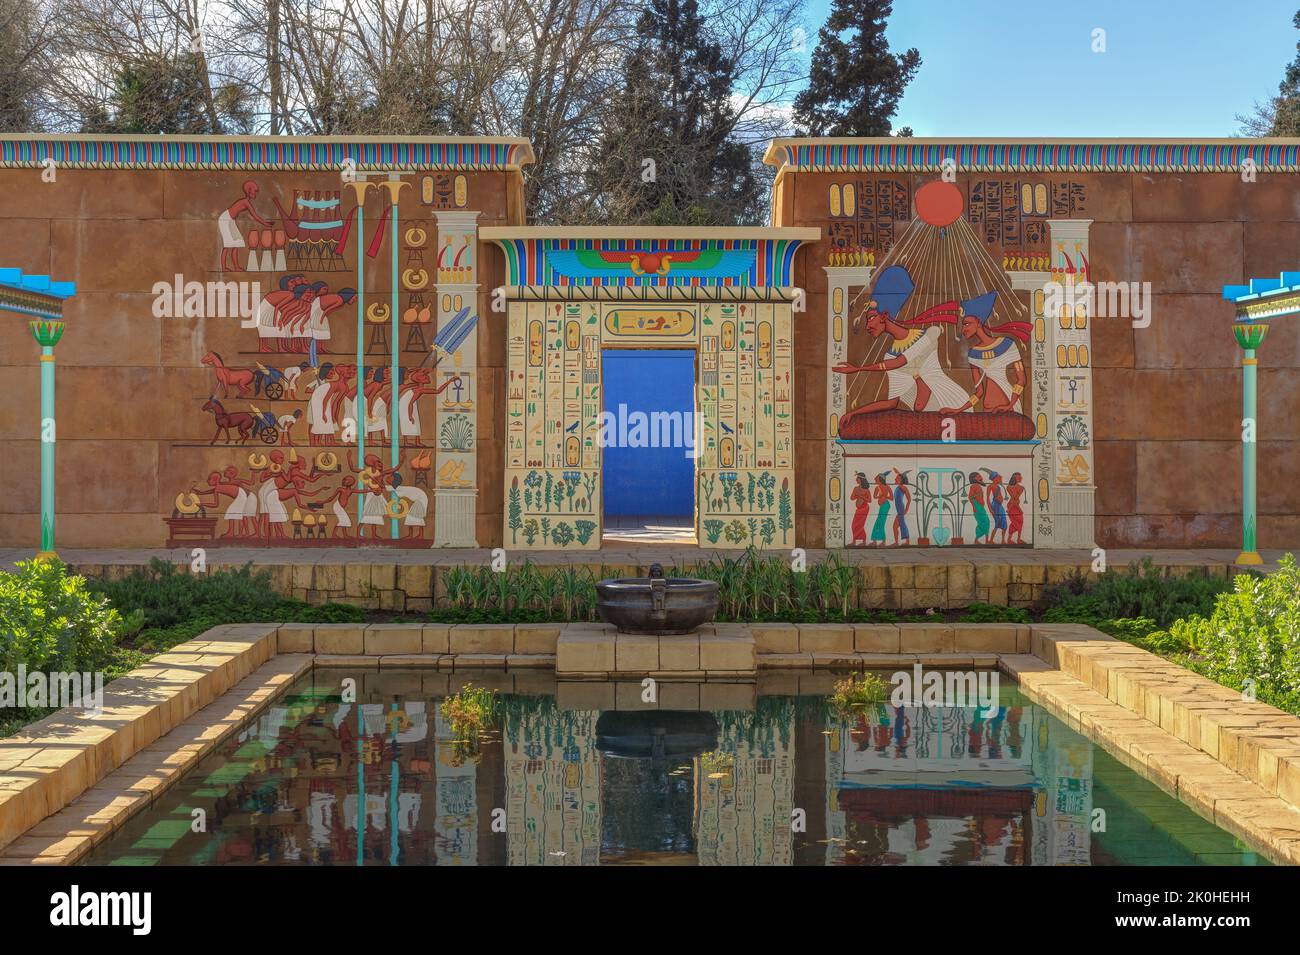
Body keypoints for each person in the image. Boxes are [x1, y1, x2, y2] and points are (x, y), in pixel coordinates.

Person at [832, 266, 970, 430]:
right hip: (928, 420)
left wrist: (858, 369)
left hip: (952, 404)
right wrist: (854, 413)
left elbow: (901, 361)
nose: (868, 325)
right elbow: (893, 401)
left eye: (871, 317)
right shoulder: (888, 357)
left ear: (884, 316)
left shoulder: (929, 334)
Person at [219, 180, 272, 271]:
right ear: (249, 191)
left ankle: (236, 267)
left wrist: (266, 223)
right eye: (254, 191)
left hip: (230, 220)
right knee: (228, 244)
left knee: (237, 242)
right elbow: (255, 216)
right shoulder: (245, 202)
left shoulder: (246, 202)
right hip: (225, 220)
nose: (255, 193)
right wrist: (265, 224)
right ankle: (224, 268)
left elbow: (255, 216)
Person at [849, 472, 871, 546]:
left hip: (864, 508)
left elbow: (870, 500)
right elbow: (851, 498)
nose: (856, 480)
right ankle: (854, 541)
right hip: (858, 509)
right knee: (854, 525)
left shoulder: (866, 490)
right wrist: (856, 495)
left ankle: (864, 541)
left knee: (860, 525)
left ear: (861, 479)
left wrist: (861, 496)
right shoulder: (856, 488)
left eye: (857, 478)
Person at [870, 473, 892, 547]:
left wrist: (885, 496)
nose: (875, 479)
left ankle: (882, 541)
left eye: (876, 478)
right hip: (882, 505)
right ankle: (876, 540)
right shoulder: (877, 488)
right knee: (879, 522)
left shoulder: (887, 487)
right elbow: (874, 496)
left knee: (880, 522)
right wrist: (880, 496)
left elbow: (891, 498)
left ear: (880, 479)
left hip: (885, 505)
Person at [968, 471, 990, 544]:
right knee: (983, 523)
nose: (981, 477)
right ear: (974, 478)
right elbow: (970, 497)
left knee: (986, 522)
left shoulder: (978, 486)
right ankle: (977, 540)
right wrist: (974, 507)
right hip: (977, 507)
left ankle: (986, 540)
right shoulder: (974, 486)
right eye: (978, 476)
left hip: (980, 507)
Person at [891, 469, 912, 546]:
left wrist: (906, 509)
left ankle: (899, 542)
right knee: (900, 525)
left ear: (900, 480)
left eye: (897, 478)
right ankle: (906, 541)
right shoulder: (898, 487)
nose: (895, 479)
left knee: (896, 526)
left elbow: (909, 499)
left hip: (901, 509)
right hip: (899, 509)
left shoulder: (902, 487)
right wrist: (898, 474)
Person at [1006, 472, 1026, 545]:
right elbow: (1014, 499)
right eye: (1018, 477)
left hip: (1015, 506)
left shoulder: (1020, 487)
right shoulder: (1009, 487)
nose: (1021, 478)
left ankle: (1017, 539)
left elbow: (1016, 499)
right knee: (1016, 522)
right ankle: (1013, 539)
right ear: (1014, 478)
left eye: (1020, 477)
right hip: (1012, 506)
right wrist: (1019, 509)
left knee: (1019, 522)